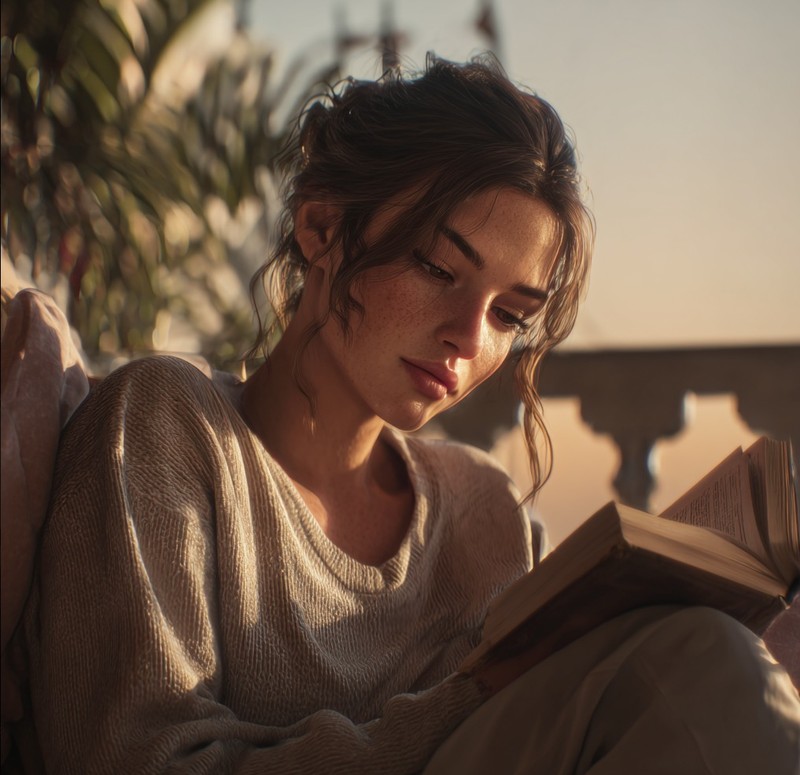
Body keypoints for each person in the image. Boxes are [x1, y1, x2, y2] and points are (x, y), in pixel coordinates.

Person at [11, 55, 800, 774]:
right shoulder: (164, 427)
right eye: (437, 266)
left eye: (508, 316)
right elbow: (139, 759)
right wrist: (476, 692)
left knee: (718, 657)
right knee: (705, 659)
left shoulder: (485, 514)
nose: (467, 335)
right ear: (322, 228)